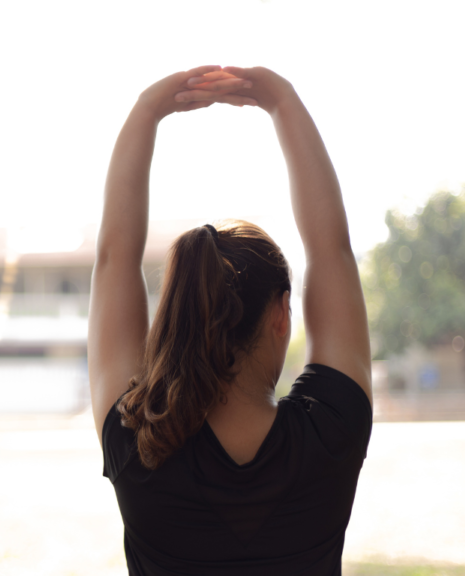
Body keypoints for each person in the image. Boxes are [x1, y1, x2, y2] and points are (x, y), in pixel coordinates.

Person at [87, 65, 373, 575]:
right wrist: (282, 101)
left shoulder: (138, 446)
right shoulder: (331, 432)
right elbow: (332, 251)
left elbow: (113, 259)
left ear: (175, 313)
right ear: (282, 314)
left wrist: (147, 111)